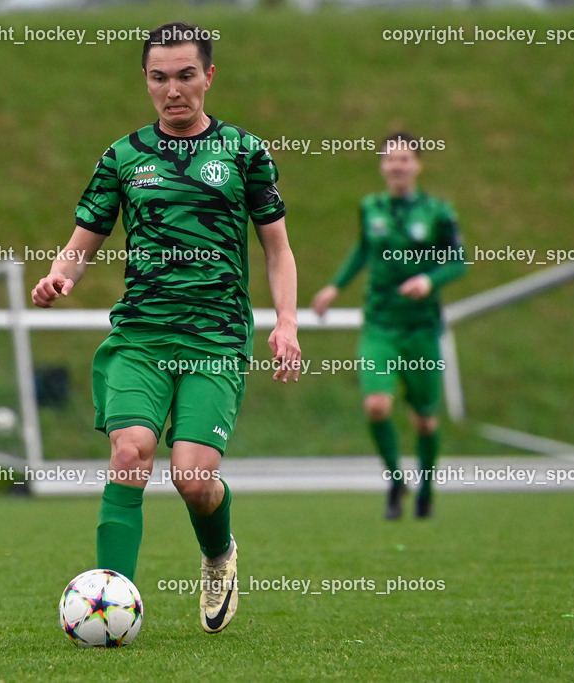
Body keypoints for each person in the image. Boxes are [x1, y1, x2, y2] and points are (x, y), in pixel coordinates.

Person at [31, 21, 301, 633]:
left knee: (193, 478)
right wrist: (60, 276)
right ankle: (108, 604)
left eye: (185, 76)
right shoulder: (123, 156)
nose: (173, 90)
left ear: (209, 76)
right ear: (145, 80)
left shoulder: (245, 153)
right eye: (159, 77)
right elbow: (82, 241)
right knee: (130, 453)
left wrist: (285, 322)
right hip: (141, 337)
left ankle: (217, 554)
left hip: (215, 337)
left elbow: (277, 249)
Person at [311, 132, 465, 520]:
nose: (396, 166)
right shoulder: (371, 207)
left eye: (404, 159)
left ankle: (427, 488)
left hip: (422, 328)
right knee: (377, 405)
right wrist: (334, 285)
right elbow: (364, 248)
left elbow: (459, 261)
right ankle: (396, 481)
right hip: (380, 324)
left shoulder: (438, 212)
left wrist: (429, 280)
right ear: (382, 166)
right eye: (389, 159)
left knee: (425, 419)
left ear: (417, 164)